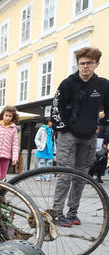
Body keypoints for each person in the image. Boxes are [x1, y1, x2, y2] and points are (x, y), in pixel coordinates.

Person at [51, 47, 109, 227]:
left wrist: (101, 126)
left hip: (89, 136)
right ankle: (57, 212)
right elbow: (56, 108)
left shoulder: (103, 85)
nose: (85, 66)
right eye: (82, 63)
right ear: (77, 64)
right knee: (65, 174)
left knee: (81, 176)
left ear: (96, 64)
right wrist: (64, 128)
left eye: (89, 63)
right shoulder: (68, 83)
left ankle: (72, 212)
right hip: (68, 135)